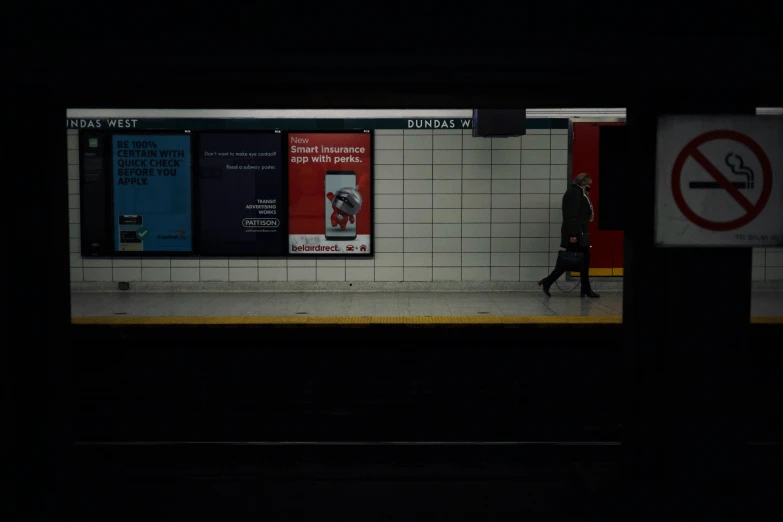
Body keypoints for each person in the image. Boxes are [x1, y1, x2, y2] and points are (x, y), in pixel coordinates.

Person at [538, 172, 600, 298]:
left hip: (580, 233)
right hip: (576, 234)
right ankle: (548, 281)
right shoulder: (574, 193)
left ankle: (585, 288)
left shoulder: (578, 193)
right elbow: (572, 215)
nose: (589, 186)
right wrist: (573, 234)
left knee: (582, 260)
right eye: (588, 184)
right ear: (583, 183)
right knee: (568, 262)